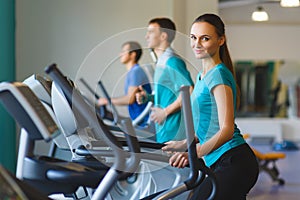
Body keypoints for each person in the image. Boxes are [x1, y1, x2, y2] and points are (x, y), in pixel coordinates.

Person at [162, 14, 259, 199]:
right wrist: (184, 143)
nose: (197, 43)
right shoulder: (202, 76)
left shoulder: (218, 75)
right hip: (219, 160)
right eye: (193, 37)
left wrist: (195, 152)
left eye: (205, 38)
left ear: (221, 40)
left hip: (234, 160)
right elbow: (208, 124)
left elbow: (226, 130)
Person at [136, 17, 194, 143]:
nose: (147, 36)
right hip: (163, 129)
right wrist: (148, 97)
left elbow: (189, 91)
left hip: (174, 131)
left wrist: (165, 112)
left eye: (151, 32)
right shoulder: (161, 62)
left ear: (163, 36)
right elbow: (169, 93)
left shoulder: (172, 61)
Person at [98, 41, 152, 127]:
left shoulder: (136, 71)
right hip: (138, 120)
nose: (120, 54)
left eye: (123, 51)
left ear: (133, 54)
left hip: (143, 122)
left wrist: (107, 101)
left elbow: (130, 99)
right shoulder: (132, 72)